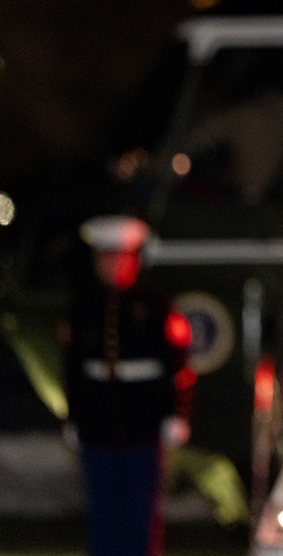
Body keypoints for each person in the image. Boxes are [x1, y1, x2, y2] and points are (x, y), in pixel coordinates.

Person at [63, 215, 193, 556]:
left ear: (133, 260)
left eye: (120, 257)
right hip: (98, 420)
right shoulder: (84, 304)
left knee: (139, 511)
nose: (112, 265)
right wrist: (74, 417)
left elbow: (178, 366)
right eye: (105, 258)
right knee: (103, 510)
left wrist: (176, 413)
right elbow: (73, 368)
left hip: (143, 419)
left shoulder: (155, 303)